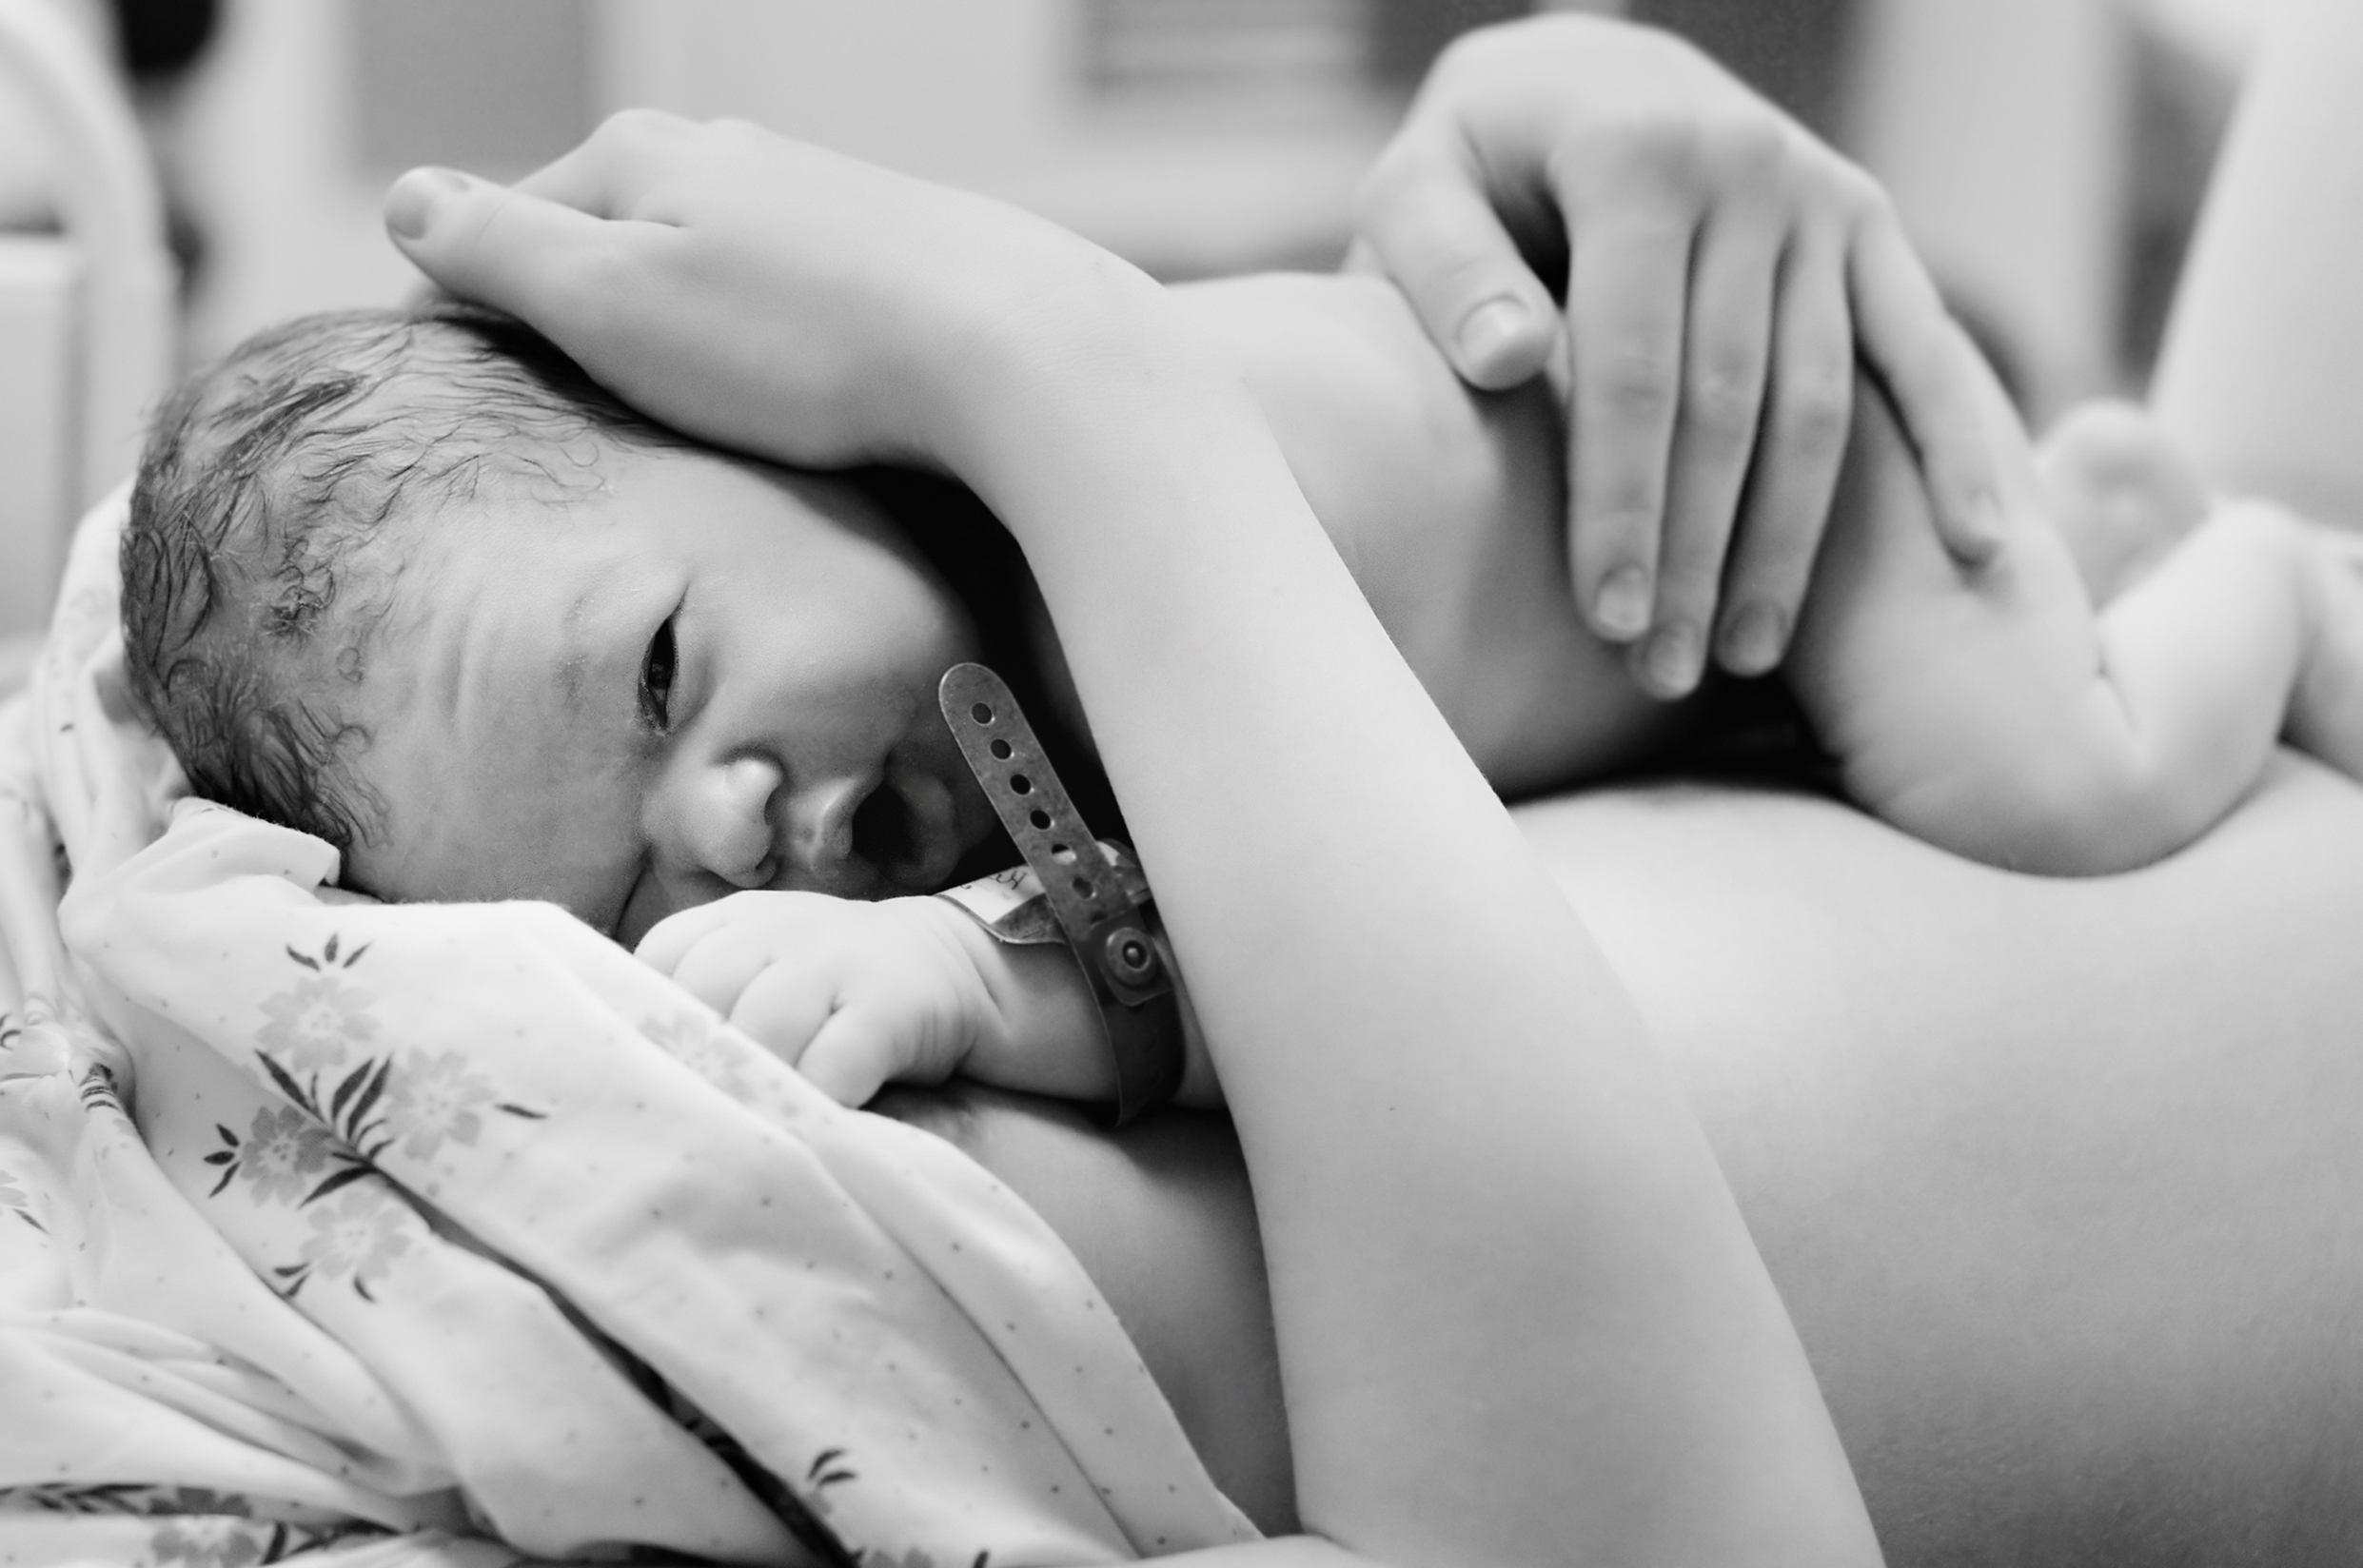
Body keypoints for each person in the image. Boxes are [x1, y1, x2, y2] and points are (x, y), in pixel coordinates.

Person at [360, 10, 2363, 1568]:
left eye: (657, 676)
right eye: (620, 893)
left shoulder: (1124, 518)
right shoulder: (1027, 556)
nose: (713, 827)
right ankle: (2102, 541)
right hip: (1695, 644)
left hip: (1798, 527)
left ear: (753, 403)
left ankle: (2243, 582)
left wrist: (968, 970)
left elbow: (1255, 950)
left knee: (2061, 785)